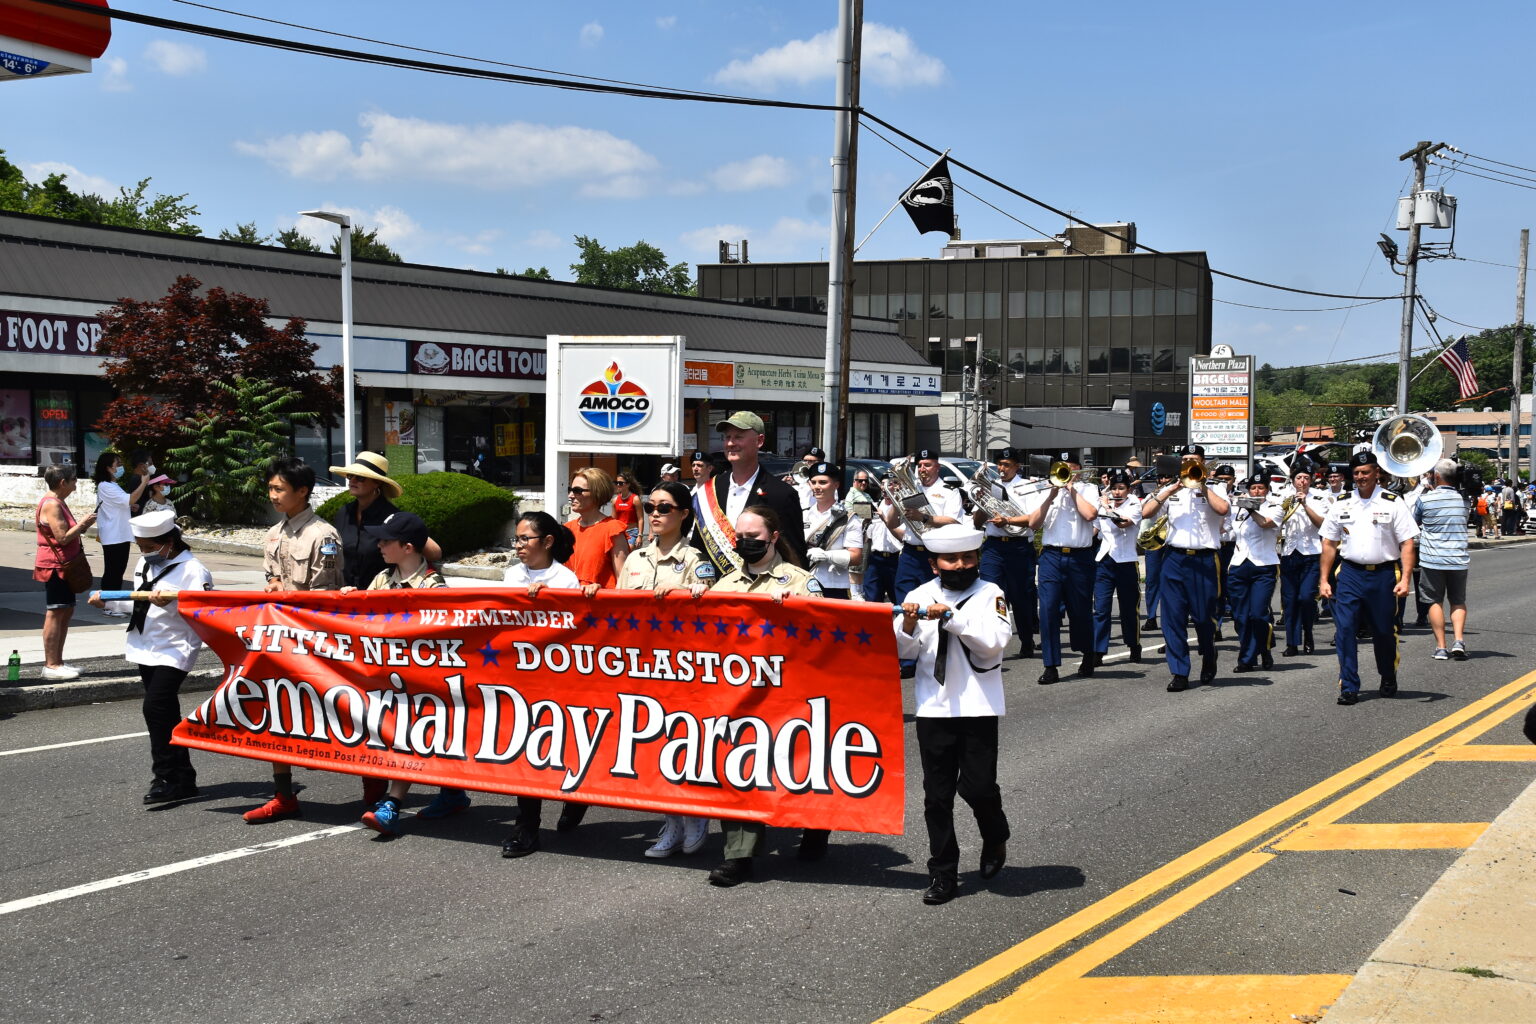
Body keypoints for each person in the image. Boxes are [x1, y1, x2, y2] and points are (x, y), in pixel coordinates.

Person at [893, 523, 1012, 906]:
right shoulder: (919, 593)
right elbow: (902, 650)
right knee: (936, 797)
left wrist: (951, 619)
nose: (960, 565)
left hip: (977, 706)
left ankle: (995, 836)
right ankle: (943, 872)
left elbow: (994, 644)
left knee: (978, 788)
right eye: (951, 559)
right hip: (934, 707)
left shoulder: (989, 593)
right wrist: (910, 621)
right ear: (934, 564)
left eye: (967, 558)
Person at [706, 506, 822, 888]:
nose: (745, 543)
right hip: (738, 699)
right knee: (740, 771)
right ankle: (738, 857)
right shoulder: (724, 586)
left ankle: (816, 825)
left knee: (798, 769)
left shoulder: (801, 582)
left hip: (788, 697)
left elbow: (826, 638)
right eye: (740, 537)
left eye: (753, 537)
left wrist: (799, 612)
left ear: (773, 537)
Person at [345, 510, 469, 835]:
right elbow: (363, 617)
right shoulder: (382, 580)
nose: (379, 546)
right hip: (389, 677)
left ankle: (392, 804)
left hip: (423, 681)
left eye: (386, 541)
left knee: (408, 736)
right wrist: (346, 602)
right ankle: (453, 792)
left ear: (408, 546)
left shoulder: (434, 587)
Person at [614, 482, 716, 859]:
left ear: (684, 515)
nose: (655, 513)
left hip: (684, 669)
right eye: (651, 506)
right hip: (642, 668)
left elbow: (706, 618)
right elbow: (619, 616)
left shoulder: (696, 562)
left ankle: (696, 813)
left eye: (665, 507)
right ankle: (671, 820)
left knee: (686, 745)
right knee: (653, 748)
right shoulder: (636, 560)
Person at [87, 510, 213, 804]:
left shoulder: (194, 570)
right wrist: (109, 603)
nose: (144, 553)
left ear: (169, 541)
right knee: (165, 713)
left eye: (149, 546)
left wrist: (175, 602)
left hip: (175, 647)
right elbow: (139, 605)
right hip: (145, 645)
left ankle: (165, 775)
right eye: (141, 546)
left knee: (153, 708)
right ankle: (182, 776)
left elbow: (207, 614)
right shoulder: (145, 563)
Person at [244, 456, 345, 824]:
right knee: (279, 715)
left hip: (315, 639)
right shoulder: (274, 534)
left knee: (346, 712)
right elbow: (271, 576)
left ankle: (374, 789)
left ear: (302, 492)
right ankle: (283, 793)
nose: (272, 495)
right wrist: (273, 586)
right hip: (280, 637)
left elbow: (326, 594)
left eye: (279, 489)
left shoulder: (323, 534)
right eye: (270, 488)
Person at [499, 512, 585, 858]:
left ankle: (577, 796)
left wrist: (545, 603)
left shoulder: (565, 579)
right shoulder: (510, 576)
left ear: (547, 542)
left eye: (525, 539)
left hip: (555, 680)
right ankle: (527, 829)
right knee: (525, 753)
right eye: (516, 539)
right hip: (519, 677)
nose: (519, 546)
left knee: (561, 747)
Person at [1318, 451, 1419, 706]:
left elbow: (1407, 543)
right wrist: (1324, 580)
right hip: (1350, 572)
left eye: (1365, 472)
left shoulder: (1392, 502)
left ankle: (1387, 674)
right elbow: (1329, 543)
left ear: (1377, 474)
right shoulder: (1342, 502)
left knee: (1384, 631)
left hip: (1384, 574)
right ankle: (1349, 685)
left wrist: (1405, 579)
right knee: (1345, 630)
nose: (1360, 477)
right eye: (1356, 473)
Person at [1140, 444, 1230, 692]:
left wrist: (1201, 484)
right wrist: (1169, 489)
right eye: (1186, 459)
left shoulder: (1215, 488)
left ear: (1203, 462)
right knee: (1172, 618)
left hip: (1204, 560)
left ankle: (1208, 651)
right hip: (1174, 558)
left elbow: (1224, 510)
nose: (1189, 463)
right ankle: (1179, 671)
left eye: (1194, 459)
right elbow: (1145, 512)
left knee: (1203, 617)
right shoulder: (1171, 489)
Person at [693, 411, 807, 575]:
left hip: (762, 590)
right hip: (715, 591)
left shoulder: (781, 494)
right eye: (727, 437)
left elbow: (795, 554)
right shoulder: (710, 489)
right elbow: (698, 548)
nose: (731, 443)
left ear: (759, 441)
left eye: (738, 437)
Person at [1023, 453, 1099, 684]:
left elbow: (1090, 514)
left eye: (1070, 468)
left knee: (1081, 611)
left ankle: (1087, 654)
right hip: (1051, 557)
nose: (1065, 472)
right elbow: (1033, 523)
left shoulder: (1088, 489)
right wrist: (1051, 496)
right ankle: (1051, 665)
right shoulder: (1046, 489)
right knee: (1047, 611)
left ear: (1078, 470)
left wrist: (1071, 489)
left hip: (1080, 557)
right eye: (1061, 468)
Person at [331, 452, 440, 591]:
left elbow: (434, 552)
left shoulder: (392, 516)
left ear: (377, 482)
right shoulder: (343, 513)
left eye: (360, 477)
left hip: (381, 599)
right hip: (346, 595)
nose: (352, 481)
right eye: (350, 476)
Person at [33, 465, 97, 681]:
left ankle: (58, 662)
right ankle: (51, 664)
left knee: (65, 611)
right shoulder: (52, 504)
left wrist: (82, 526)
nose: (76, 484)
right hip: (55, 566)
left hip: (65, 565)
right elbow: (62, 537)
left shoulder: (58, 501)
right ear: (63, 483)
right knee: (56, 612)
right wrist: (83, 524)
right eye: (74, 480)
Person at [975, 448, 1040, 660]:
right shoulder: (992, 486)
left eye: (1007, 465)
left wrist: (1008, 520)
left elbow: (1032, 519)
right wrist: (981, 504)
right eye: (1000, 465)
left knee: (1020, 596)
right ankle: (991, 644)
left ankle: (1026, 640)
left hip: (1018, 547)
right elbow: (977, 523)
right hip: (993, 546)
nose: (1002, 469)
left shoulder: (1027, 487)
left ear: (1017, 466)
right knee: (989, 594)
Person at [879, 449, 963, 606]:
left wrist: (924, 517)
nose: (923, 469)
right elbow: (892, 524)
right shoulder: (911, 488)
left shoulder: (949, 491)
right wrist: (896, 499)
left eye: (927, 465)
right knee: (903, 600)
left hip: (934, 552)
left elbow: (954, 522)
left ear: (937, 467)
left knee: (933, 601)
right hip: (910, 554)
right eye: (920, 465)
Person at [1414, 460, 1471, 661]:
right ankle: (1458, 640)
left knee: (1434, 600)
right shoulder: (1465, 500)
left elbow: (1415, 521)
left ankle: (1440, 647)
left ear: (1436, 476)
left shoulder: (1425, 499)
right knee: (1458, 601)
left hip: (1432, 559)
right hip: (1458, 558)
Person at [1227, 475, 1282, 672]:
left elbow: (1266, 523)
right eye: (1253, 488)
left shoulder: (1275, 506)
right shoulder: (1237, 510)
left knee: (1258, 613)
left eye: (1261, 488)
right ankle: (1247, 658)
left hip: (1264, 565)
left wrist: (1252, 509)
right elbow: (1228, 531)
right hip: (1239, 564)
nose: (1257, 491)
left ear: (1267, 489)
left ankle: (1265, 649)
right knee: (1241, 616)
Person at [1092, 470, 1143, 663]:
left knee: (1129, 608)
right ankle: (1098, 650)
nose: (1117, 492)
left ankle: (1133, 644)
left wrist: (1106, 506)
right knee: (1101, 608)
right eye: (1114, 488)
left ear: (1129, 489)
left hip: (1126, 561)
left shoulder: (1135, 504)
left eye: (1121, 488)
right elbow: (1095, 529)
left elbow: (1123, 523)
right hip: (1105, 560)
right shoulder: (1103, 505)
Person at [1278, 468, 1329, 657]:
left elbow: (1322, 524)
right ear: (1293, 480)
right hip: (1289, 552)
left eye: (1306, 478)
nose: (1302, 481)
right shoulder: (1284, 497)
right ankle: (1292, 642)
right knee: (1289, 600)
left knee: (1306, 598)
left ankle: (1308, 633)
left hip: (1311, 553)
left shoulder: (1320, 498)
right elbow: (1277, 522)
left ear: (1312, 479)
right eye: (1299, 478)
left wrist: (1305, 504)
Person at [93, 449, 150, 616]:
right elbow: (130, 498)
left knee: (117, 571)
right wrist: (144, 482)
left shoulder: (112, 485)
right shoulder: (105, 486)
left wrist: (129, 506)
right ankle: (109, 606)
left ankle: (114, 604)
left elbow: (122, 503)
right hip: (114, 535)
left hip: (120, 534)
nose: (120, 466)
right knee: (113, 572)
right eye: (117, 464)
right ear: (108, 468)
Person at [804, 461, 864, 600]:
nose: (817, 487)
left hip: (834, 585)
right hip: (805, 581)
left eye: (823, 482)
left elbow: (856, 557)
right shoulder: (803, 515)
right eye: (813, 482)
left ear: (836, 485)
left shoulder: (848, 518)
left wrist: (827, 556)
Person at [565, 466, 631, 589]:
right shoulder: (566, 529)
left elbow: (623, 582)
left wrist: (599, 588)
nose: (570, 495)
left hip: (601, 605)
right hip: (569, 605)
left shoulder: (613, 530)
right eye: (570, 490)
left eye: (577, 491)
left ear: (596, 493)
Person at [1141, 456, 1178, 633]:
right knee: (1152, 580)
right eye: (1161, 477)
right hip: (1155, 541)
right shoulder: (1154, 494)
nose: (1163, 480)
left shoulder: (1179, 493)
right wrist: (1159, 494)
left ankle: (1172, 616)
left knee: (1171, 582)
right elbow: (1146, 512)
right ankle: (1151, 616)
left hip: (1173, 541)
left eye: (1167, 477)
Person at [859, 471, 902, 604]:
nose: (885, 488)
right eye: (882, 484)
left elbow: (903, 536)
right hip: (875, 559)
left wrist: (885, 519)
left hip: (896, 559)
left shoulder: (902, 507)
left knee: (898, 599)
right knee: (872, 600)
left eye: (890, 484)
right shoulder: (876, 505)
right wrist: (864, 522)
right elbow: (867, 537)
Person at [612, 468, 644, 547]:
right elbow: (613, 520)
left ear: (628, 484)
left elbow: (640, 518)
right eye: (617, 483)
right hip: (619, 532)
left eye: (621, 483)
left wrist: (640, 535)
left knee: (629, 549)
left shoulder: (635, 499)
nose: (618, 485)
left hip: (632, 532)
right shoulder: (615, 500)